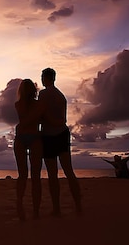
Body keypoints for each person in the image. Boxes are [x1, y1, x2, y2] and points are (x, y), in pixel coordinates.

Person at [38, 67, 82, 216]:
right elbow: (62, 119)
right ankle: (78, 206)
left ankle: (56, 208)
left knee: (53, 174)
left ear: (45, 78)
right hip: (62, 133)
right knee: (69, 171)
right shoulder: (61, 96)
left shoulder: (43, 94)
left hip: (50, 135)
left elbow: (41, 114)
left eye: (42, 77)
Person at [13, 79, 45, 220]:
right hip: (33, 137)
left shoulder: (19, 104)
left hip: (22, 137)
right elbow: (35, 119)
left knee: (23, 174)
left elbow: (25, 120)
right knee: (34, 176)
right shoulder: (38, 105)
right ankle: (34, 211)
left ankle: (21, 205)